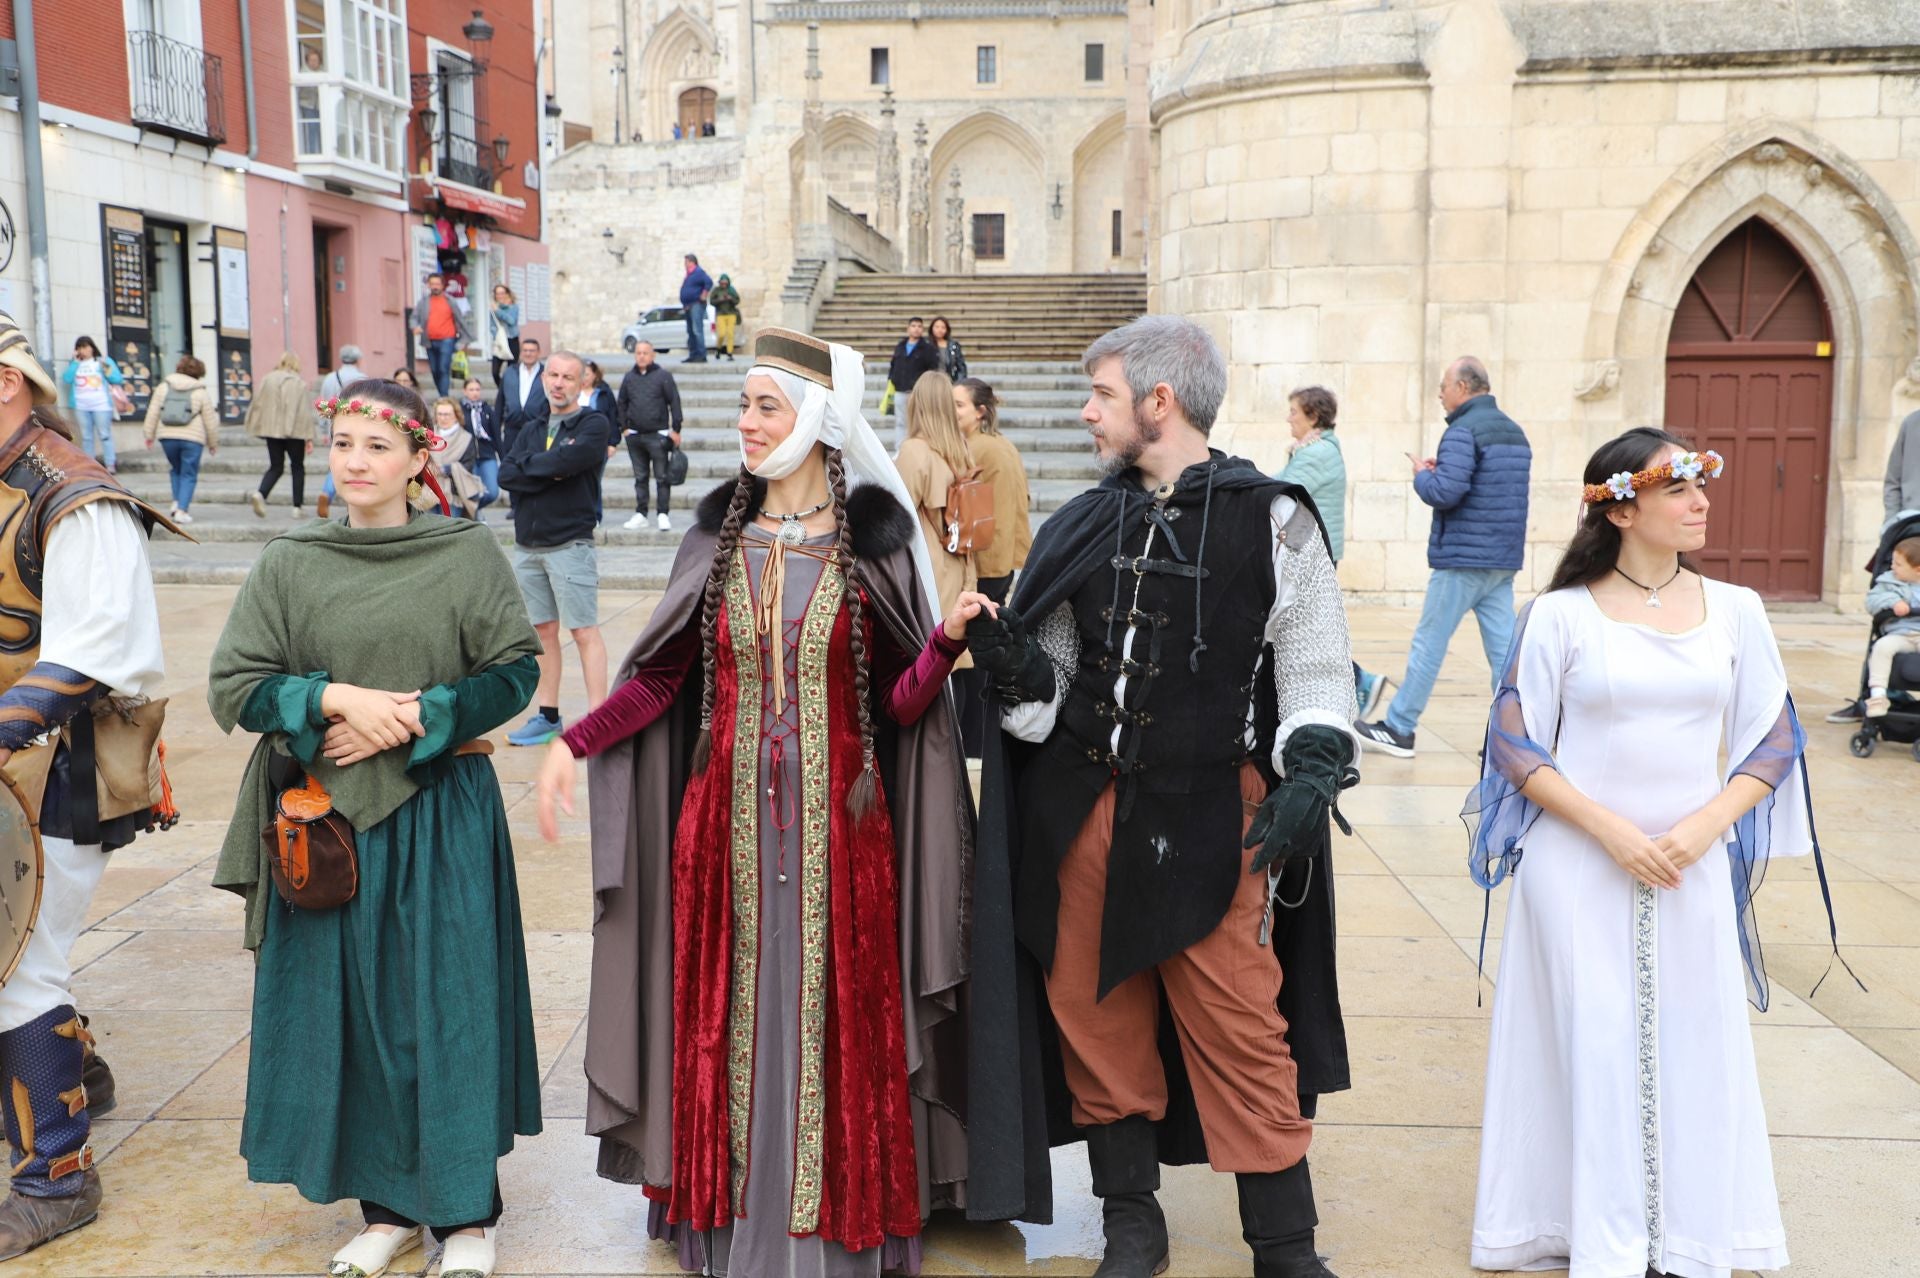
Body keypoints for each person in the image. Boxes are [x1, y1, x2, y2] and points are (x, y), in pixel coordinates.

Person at [532, 325, 977, 1278]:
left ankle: (826, 1224)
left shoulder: (875, 549)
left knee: (831, 1024)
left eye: (763, 405)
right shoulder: (715, 540)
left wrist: (942, 645)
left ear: (818, 419)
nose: (743, 421)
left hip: (843, 838)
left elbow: (900, 706)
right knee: (724, 1022)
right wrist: (574, 742)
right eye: (741, 405)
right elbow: (659, 680)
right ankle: (732, 1222)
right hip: (720, 836)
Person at [964, 315, 1358, 1278]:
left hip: (1217, 816)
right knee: (1095, 1018)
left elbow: (1313, 668)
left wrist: (1310, 772)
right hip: (1083, 815)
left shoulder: (1278, 518)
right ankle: (1133, 1227)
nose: (1088, 413)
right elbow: (1044, 700)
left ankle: (1286, 1249)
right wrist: (1010, 661)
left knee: (1242, 1025)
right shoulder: (1083, 522)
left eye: (1100, 395)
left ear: (1159, 400)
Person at [1465, 427, 1845, 1277]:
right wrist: (1609, 831)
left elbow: (1774, 741)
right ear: (1623, 505)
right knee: (1592, 1043)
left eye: (1700, 485)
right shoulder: (1558, 615)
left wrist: (1706, 826)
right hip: (1578, 864)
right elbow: (1516, 746)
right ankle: (1597, 1235)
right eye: (1681, 488)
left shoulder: (1738, 612)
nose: (1702, 501)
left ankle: (1688, 1235)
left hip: (1691, 864)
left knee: (1692, 1043)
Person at [209, 377, 542, 1278]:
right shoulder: (292, 561)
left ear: (418, 462)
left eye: (377, 446)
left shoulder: (464, 554)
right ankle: (387, 1207)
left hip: (441, 819)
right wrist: (333, 698)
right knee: (351, 1014)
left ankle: (468, 1216)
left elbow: (514, 672)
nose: (356, 462)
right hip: (329, 830)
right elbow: (234, 684)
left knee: (449, 1008)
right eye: (344, 443)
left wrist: (422, 715)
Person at [0, 315, 178, 1260]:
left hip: (56, 773)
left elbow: (94, 649)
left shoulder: (78, 497)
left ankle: (55, 1178)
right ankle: (82, 1072)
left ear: (6, 383)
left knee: (18, 960)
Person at [1354, 356, 1531, 758]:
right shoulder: (1515, 433)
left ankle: (1399, 727)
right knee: (1504, 654)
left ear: (1464, 388)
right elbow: (1484, 485)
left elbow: (1445, 492)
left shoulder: (1463, 430)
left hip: (1462, 560)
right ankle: (1519, 733)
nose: (1439, 394)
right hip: (1501, 560)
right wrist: (1444, 470)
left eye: (1444, 387)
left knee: (1429, 644)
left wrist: (1422, 474)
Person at [499, 351, 612, 746]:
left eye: (568, 376)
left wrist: (532, 468)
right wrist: (549, 468)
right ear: (544, 378)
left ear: (583, 382)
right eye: (553, 375)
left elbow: (575, 458)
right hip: (528, 545)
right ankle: (547, 716)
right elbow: (505, 474)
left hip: (569, 542)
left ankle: (600, 719)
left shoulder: (593, 423)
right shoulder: (531, 428)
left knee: (583, 631)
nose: (559, 382)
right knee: (543, 632)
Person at [1277, 386, 1388, 720]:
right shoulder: (1311, 450)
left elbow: (1282, 488)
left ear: (1313, 416)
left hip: (1310, 552)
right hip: (1310, 548)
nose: (1289, 417)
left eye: (1294, 411)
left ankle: (1362, 681)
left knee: (1305, 631)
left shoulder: (1317, 454)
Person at [951, 377, 1031, 756]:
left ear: (980, 412)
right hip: (1004, 559)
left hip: (985, 559)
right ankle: (980, 737)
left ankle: (974, 740)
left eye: (960, 405)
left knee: (974, 655)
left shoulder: (976, 448)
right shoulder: (1002, 444)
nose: (953, 413)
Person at [1832, 408, 1920, 722]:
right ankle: (1873, 699)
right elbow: (1893, 482)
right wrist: (1894, 526)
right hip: (1907, 533)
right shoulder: (1912, 423)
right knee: (1883, 624)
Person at [895, 372, 978, 625]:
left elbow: (898, 514)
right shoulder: (961, 448)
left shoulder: (914, 450)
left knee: (930, 649)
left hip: (927, 564)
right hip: (960, 560)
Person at [142, 353, 220, 525]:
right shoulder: (200, 391)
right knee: (189, 473)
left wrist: (149, 435)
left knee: (176, 469)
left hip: (167, 436)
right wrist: (213, 443)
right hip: (192, 438)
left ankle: (177, 501)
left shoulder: (164, 387)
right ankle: (182, 510)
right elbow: (210, 419)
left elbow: (153, 411)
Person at [616, 340, 683, 532]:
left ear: (653, 355)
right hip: (635, 436)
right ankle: (641, 513)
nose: (642, 356)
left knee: (662, 477)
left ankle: (663, 514)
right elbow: (621, 403)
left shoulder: (663, 376)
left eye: (645, 353)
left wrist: (676, 428)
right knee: (640, 477)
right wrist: (624, 428)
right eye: (638, 353)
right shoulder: (629, 378)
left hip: (658, 436)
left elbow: (674, 401)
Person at [246, 352, 316, 519]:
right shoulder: (298, 383)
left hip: (272, 430)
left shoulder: (267, 379)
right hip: (295, 432)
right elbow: (304, 411)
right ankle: (297, 507)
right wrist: (309, 436)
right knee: (297, 467)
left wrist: (256, 424)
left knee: (276, 466)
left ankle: (261, 493)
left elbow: (257, 403)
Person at [1864, 535, 1920, 720]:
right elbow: (1872, 601)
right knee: (1881, 647)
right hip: (1900, 634)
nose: (1892, 567)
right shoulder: (1888, 582)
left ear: (1917, 570)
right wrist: (1893, 602)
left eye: (1898, 564)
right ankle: (1878, 696)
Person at [313, 345, 367, 521]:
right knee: (356, 463)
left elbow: (323, 404)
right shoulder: (363, 379)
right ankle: (354, 502)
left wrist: (323, 428)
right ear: (358, 359)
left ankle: (327, 493)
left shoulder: (329, 378)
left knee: (337, 463)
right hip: (359, 428)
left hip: (335, 428)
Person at [60, 336, 125, 474]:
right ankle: (90, 465)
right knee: (86, 436)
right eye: (79, 348)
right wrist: (75, 362)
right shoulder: (75, 364)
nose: (83, 350)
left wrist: (106, 368)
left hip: (101, 404)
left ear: (92, 347)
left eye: (85, 347)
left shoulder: (102, 361)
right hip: (81, 405)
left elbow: (116, 378)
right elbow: (67, 379)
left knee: (104, 434)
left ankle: (110, 464)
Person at [425, 396, 487, 519]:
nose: (443, 418)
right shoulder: (427, 436)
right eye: (440, 414)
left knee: (448, 532)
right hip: (427, 491)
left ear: (456, 415)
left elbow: (468, 465)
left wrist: (446, 469)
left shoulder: (466, 438)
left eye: (447, 414)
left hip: (453, 493)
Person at [411, 273, 471, 397]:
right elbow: (414, 317)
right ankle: (442, 394)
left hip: (447, 339)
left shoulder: (450, 300)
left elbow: (461, 319)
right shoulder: (423, 302)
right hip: (429, 340)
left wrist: (465, 339)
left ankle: (444, 397)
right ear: (428, 285)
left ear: (443, 285)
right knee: (434, 370)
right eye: (432, 284)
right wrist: (415, 327)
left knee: (443, 368)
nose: (435, 287)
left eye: (437, 284)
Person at [885, 318, 940, 446]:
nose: (916, 328)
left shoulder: (927, 348)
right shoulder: (900, 346)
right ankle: (900, 449)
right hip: (900, 390)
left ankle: (916, 447)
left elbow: (932, 368)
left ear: (922, 329)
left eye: (919, 326)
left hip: (917, 392)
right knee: (900, 422)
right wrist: (892, 379)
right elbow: (894, 364)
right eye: (913, 325)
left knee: (917, 422)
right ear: (908, 328)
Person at [495, 336, 547, 461]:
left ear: (538, 353)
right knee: (510, 462)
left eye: (532, 350)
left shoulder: (546, 373)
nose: (528, 353)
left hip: (536, 427)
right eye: (525, 350)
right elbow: (500, 400)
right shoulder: (510, 372)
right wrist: (497, 424)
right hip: (512, 427)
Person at [461, 376, 503, 513]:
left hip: (487, 455)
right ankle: (474, 515)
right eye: (471, 389)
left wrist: (503, 458)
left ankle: (472, 511)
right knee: (472, 492)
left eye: (477, 389)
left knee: (492, 492)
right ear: (464, 391)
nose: (475, 392)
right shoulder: (459, 410)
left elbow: (496, 434)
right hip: (468, 458)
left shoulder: (487, 410)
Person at [680, 253, 713, 363]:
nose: (684, 264)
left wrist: (704, 294)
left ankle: (701, 354)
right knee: (690, 331)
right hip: (689, 306)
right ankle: (693, 354)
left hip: (696, 304)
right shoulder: (689, 274)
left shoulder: (698, 272)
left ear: (692, 262)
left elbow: (708, 282)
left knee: (697, 330)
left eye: (686, 262)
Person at [490, 283, 521, 384]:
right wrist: (496, 336)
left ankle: (508, 393)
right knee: (495, 372)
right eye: (497, 293)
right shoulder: (493, 308)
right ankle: (502, 391)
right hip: (500, 342)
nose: (500, 296)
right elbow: (492, 325)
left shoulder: (513, 307)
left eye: (502, 293)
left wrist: (498, 310)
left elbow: (511, 321)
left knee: (511, 371)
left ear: (507, 294)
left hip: (512, 340)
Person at [708, 273, 741, 360]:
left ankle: (729, 353)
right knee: (721, 334)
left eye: (725, 283)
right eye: (722, 283)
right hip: (720, 314)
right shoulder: (716, 290)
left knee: (730, 334)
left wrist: (730, 298)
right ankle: (718, 348)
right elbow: (711, 301)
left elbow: (737, 300)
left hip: (731, 313)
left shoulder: (731, 290)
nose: (724, 285)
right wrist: (720, 299)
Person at [930, 316, 967, 383]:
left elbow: (961, 367)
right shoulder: (926, 345)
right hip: (931, 382)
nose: (940, 330)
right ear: (932, 328)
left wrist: (959, 383)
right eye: (937, 327)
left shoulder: (953, 346)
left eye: (943, 327)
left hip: (949, 381)